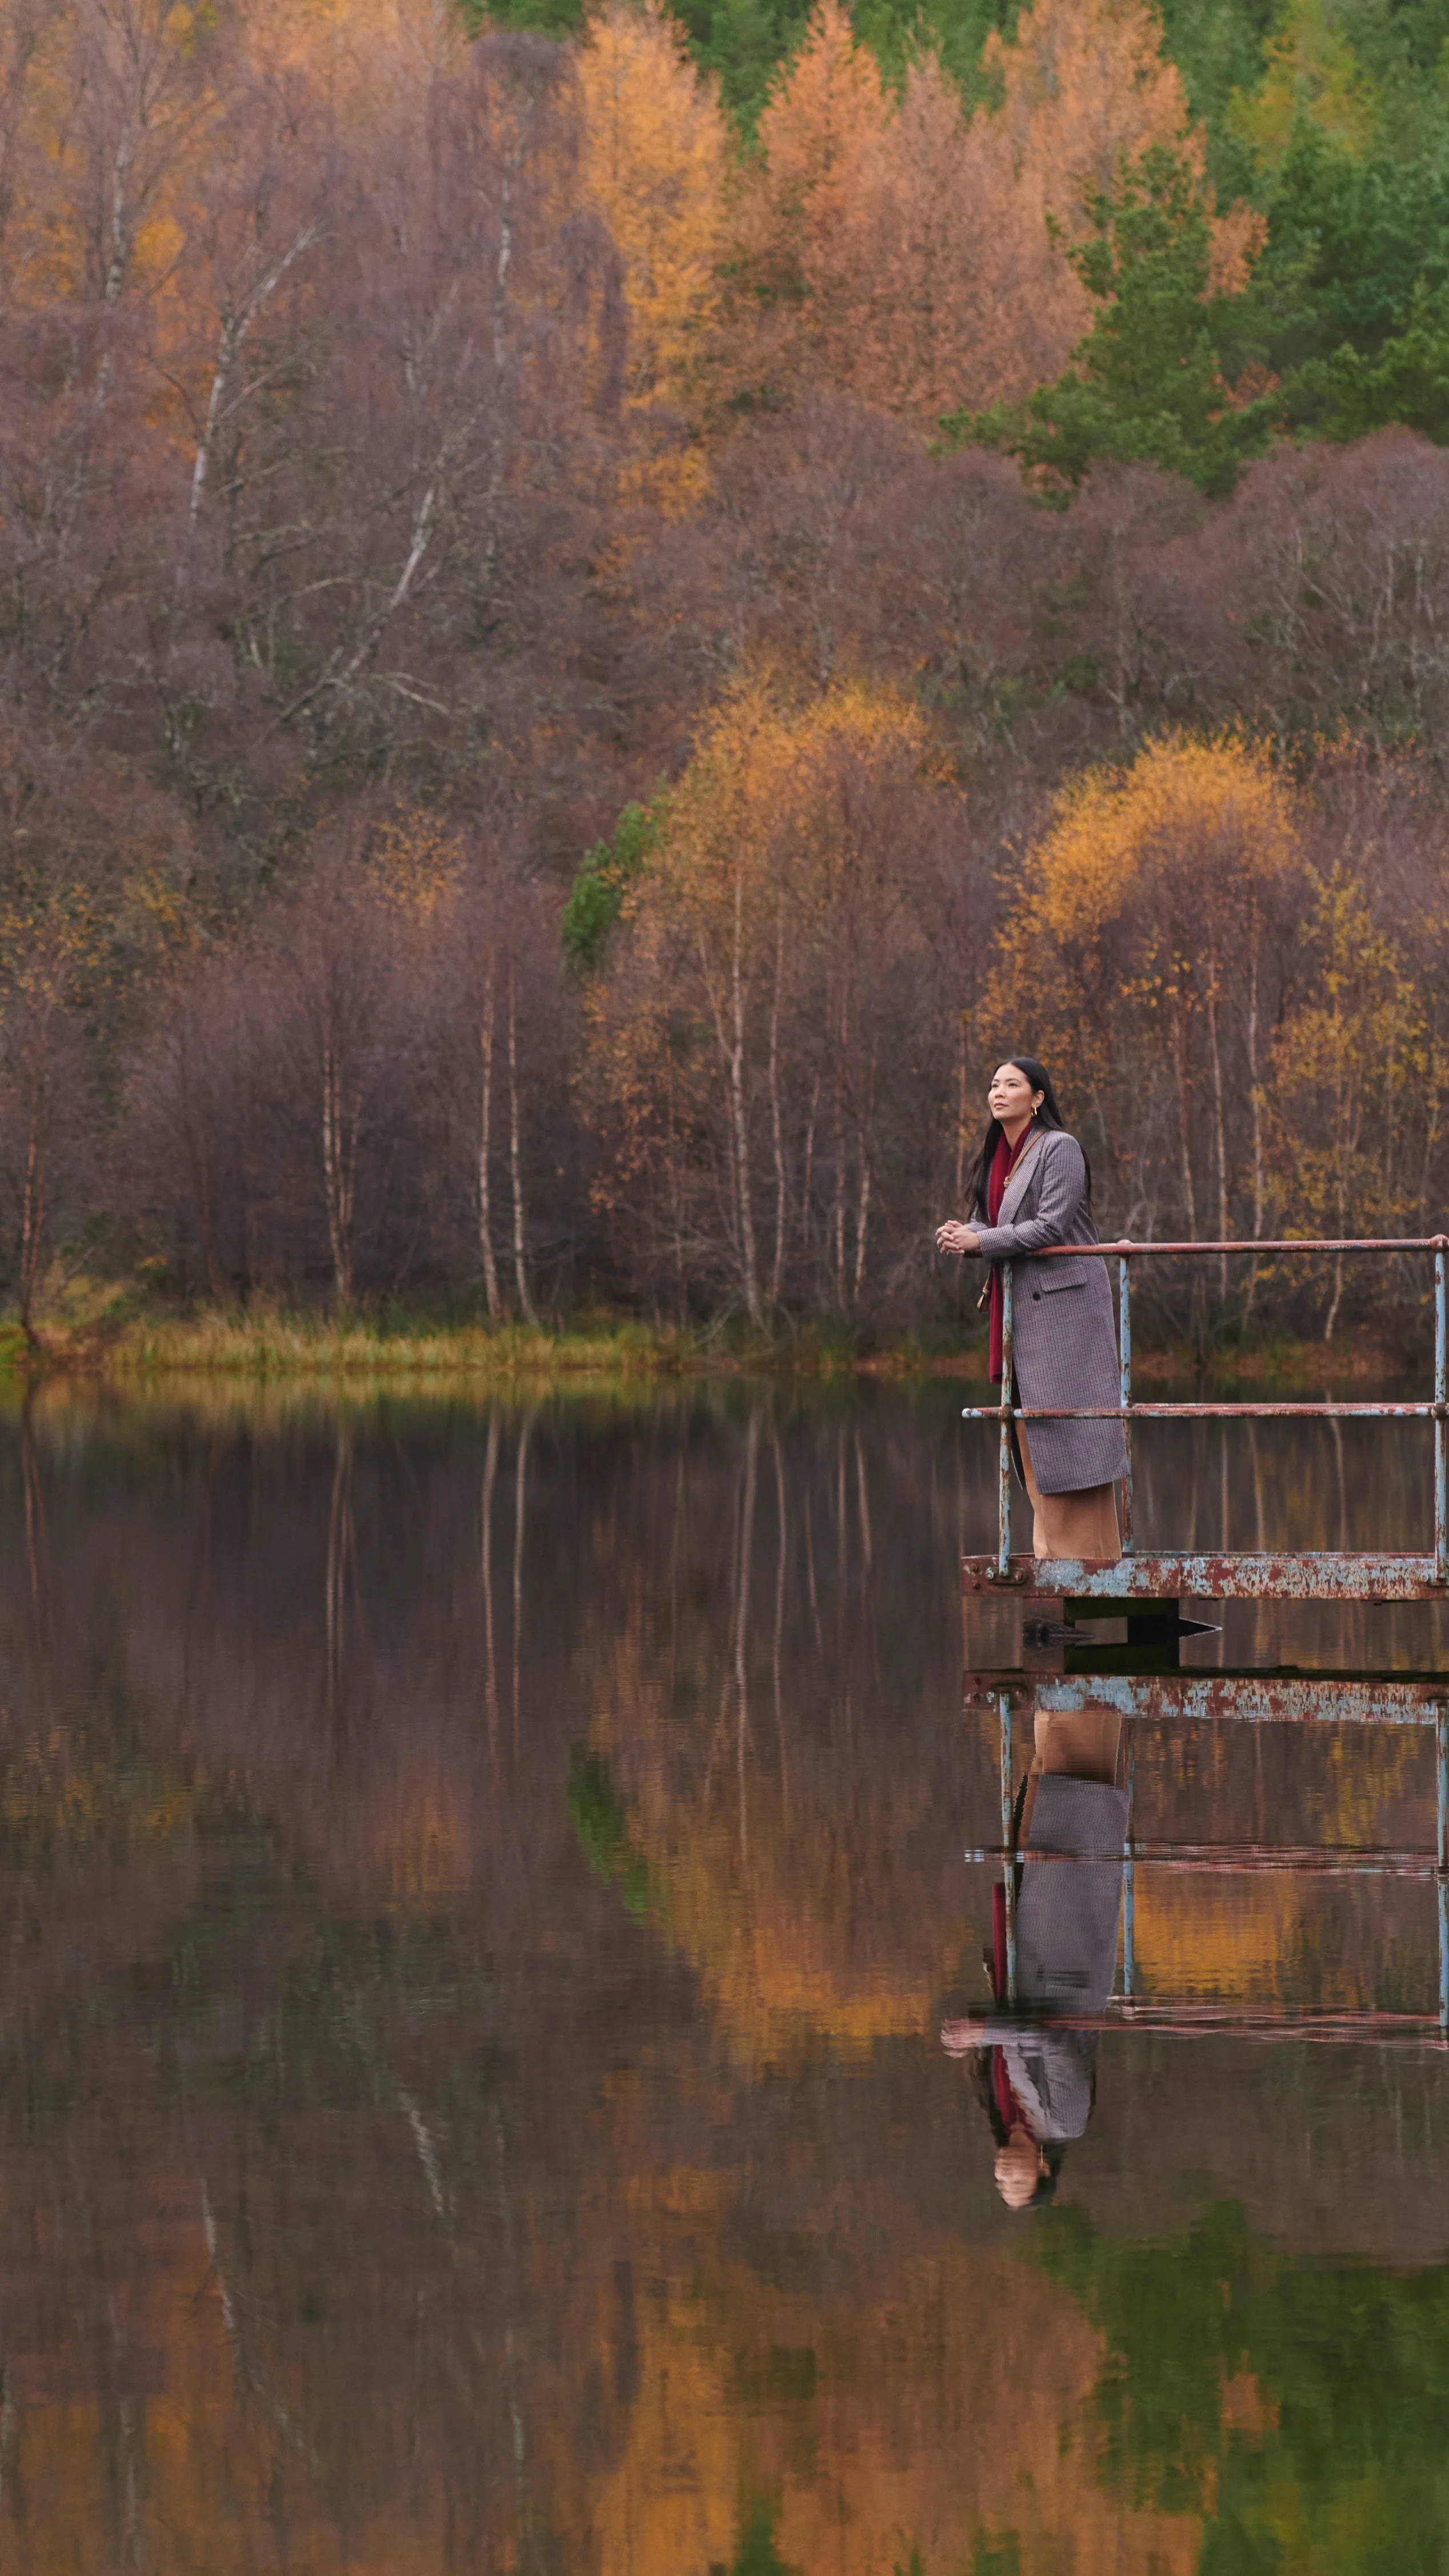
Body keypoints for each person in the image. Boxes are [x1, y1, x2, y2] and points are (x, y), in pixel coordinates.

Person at [936, 1055, 1126, 1563]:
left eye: (1012, 1084)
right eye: (994, 1083)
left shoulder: (1058, 1148)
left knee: (1069, 1431)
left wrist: (981, 1242)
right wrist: (964, 1233)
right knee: (1032, 1430)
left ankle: (1084, 1559)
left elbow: (1051, 1226)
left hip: (1067, 1311)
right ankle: (1055, 1554)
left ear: (1037, 1097)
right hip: (1024, 1311)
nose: (998, 1092)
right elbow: (988, 1221)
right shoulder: (998, 1156)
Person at [940, 1707, 1127, 2209]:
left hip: (1038, 1942)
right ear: (1043, 2168)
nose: (1002, 2176)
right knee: (1076, 1785)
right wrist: (985, 2031)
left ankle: (1059, 1700)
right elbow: (1053, 2040)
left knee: (1042, 1791)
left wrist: (977, 2031)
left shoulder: (1012, 2112)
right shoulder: (1066, 2119)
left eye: (1001, 2185)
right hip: (1068, 1944)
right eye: (1015, 2184)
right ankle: (1084, 1691)